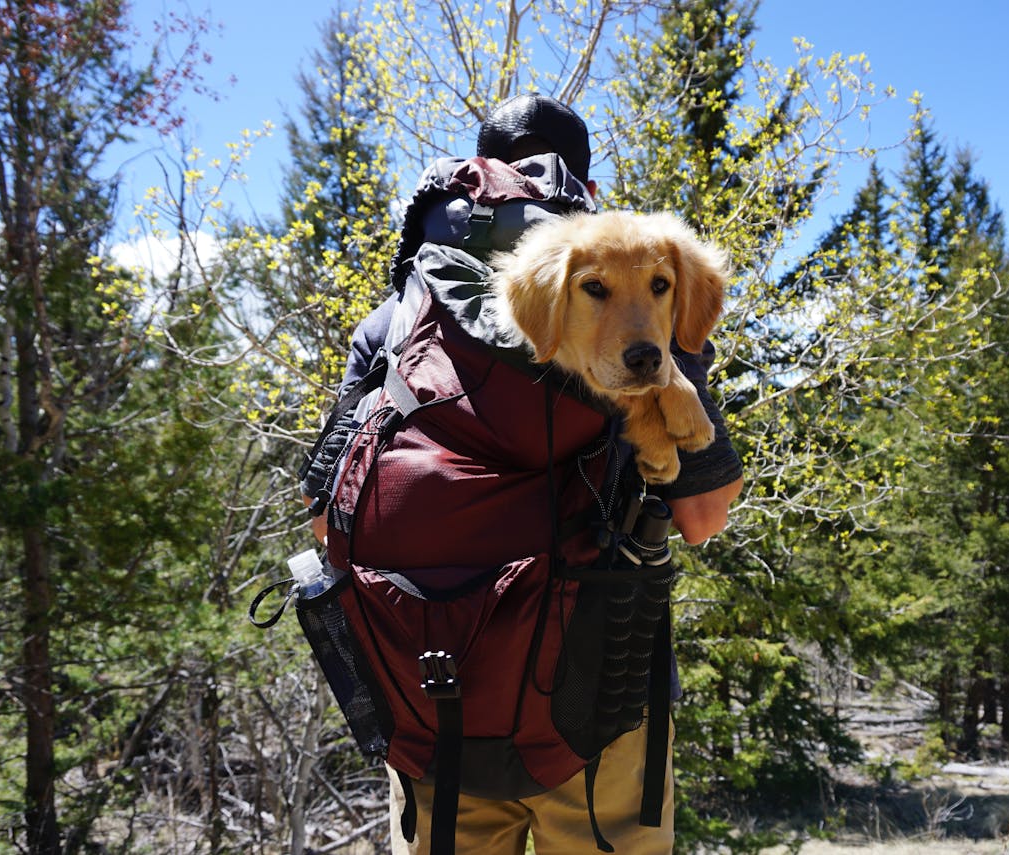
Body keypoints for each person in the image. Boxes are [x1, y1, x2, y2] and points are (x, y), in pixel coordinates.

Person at [300, 94, 743, 855]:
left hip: (437, 702)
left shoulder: (399, 317)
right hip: (602, 703)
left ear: (479, 180)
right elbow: (703, 517)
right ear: (587, 194)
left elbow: (324, 513)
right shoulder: (641, 294)